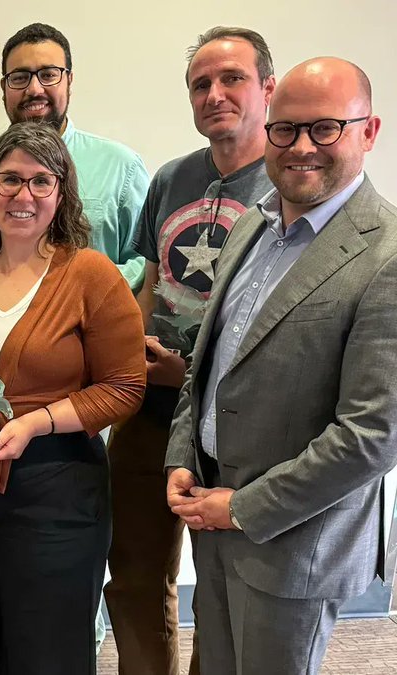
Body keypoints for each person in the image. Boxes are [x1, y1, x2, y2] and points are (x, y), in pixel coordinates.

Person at [165, 58, 396, 674]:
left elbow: (373, 434)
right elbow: (207, 365)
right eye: (286, 129)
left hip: (294, 542)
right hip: (208, 513)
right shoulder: (252, 227)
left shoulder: (387, 255)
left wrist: (241, 508)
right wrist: (182, 459)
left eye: (325, 129)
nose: (300, 148)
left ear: (368, 131)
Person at [0, 121, 145, 675]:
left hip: (55, 488)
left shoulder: (89, 274)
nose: (23, 195)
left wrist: (35, 423)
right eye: (10, 180)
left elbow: (125, 386)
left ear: (62, 193)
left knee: (46, 652)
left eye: (41, 182)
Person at [103, 27, 275, 675]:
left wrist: (193, 372)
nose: (215, 94)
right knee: (136, 572)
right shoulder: (172, 178)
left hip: (234, 421)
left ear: (268, 89)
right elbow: (153, 283)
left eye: (232, 79)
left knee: (223, 581)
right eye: (201, 84)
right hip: (150, 408)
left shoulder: (287, 186)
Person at [0, 23, 148, 291]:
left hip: (92, 327)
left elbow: (144, 263)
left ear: (69, 80)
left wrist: (82, 291)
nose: (34, 89)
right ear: (4, 87)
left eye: (48, 74)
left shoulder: (122, 167)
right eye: (20, 77)